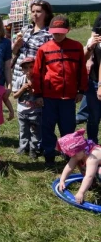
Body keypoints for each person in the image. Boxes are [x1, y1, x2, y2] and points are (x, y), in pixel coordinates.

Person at [32, 15, 87, 167]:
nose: (58, 34)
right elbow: (37, 73)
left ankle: (69, 155)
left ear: (68, 30)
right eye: (55, 31)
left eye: (61, 31)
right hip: (49, 97)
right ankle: (49, 155)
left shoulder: (76, 47)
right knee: (47, 127)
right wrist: (38, 94)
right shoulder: (44, 49)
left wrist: (81, 90)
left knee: (68, 128)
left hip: (69, 97)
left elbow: (82, 70)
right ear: (50, 31)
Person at [11, 0, 53, 86]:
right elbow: (14, 52)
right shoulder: (25, 29)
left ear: (47, 14)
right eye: (33, 11)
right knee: (20, 98)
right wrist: (16, 46)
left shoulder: (49, 33)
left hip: (36, 74)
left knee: (35, 98)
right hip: (19, 73)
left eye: (38, 11)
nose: (35, 14)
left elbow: (50, 57)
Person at [57, 129, 101, 204]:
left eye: (74, 154)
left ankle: (93, 182)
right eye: (71, 154)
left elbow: (89, 176)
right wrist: (62, 180)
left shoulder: (92, 157)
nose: (73, 156)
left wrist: (81, 192)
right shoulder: (79, 153)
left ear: (82, 148)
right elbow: (69, 166)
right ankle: (92, 184)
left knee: (98, 173)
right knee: (79, 163)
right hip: (95, 165)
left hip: (96, 165)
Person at [12, 57, 42, 159]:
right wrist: (23, 88)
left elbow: (41, 96)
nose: (29, 70)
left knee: (35, 131)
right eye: (26, 68)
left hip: (35, 111)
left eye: (31, 67)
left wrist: (32, 91)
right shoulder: (20, 80)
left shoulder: (39, 81)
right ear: (22, 70)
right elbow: (15, 96)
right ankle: (23, 147)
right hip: (22, 111)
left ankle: (33, 149)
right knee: (23, 130)